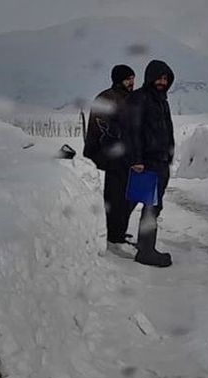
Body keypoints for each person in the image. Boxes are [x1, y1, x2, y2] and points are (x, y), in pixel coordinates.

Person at [123, 60, 176, 268]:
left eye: (166, 78)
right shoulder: (140, 99)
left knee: (151, 205)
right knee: (149, 206)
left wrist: (169, 152)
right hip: (146, 162)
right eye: (159, 77)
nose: (162, 82)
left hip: (160, 161)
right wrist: (136, 159)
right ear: (150, 77)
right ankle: (146, 251)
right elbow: (133, 131)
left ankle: (140, 244)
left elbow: (167, 130)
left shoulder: (161, 100)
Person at [83, 65, 137, 256]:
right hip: (112, 156)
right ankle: (114, 237)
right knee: (115, 197)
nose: (132, 82)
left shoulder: (130, 98)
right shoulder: (106, 98)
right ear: (118, 79)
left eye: (133, 78)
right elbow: (100, 129)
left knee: (128, 197)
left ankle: (119, 232)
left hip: (128, 156)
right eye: (128, 78)